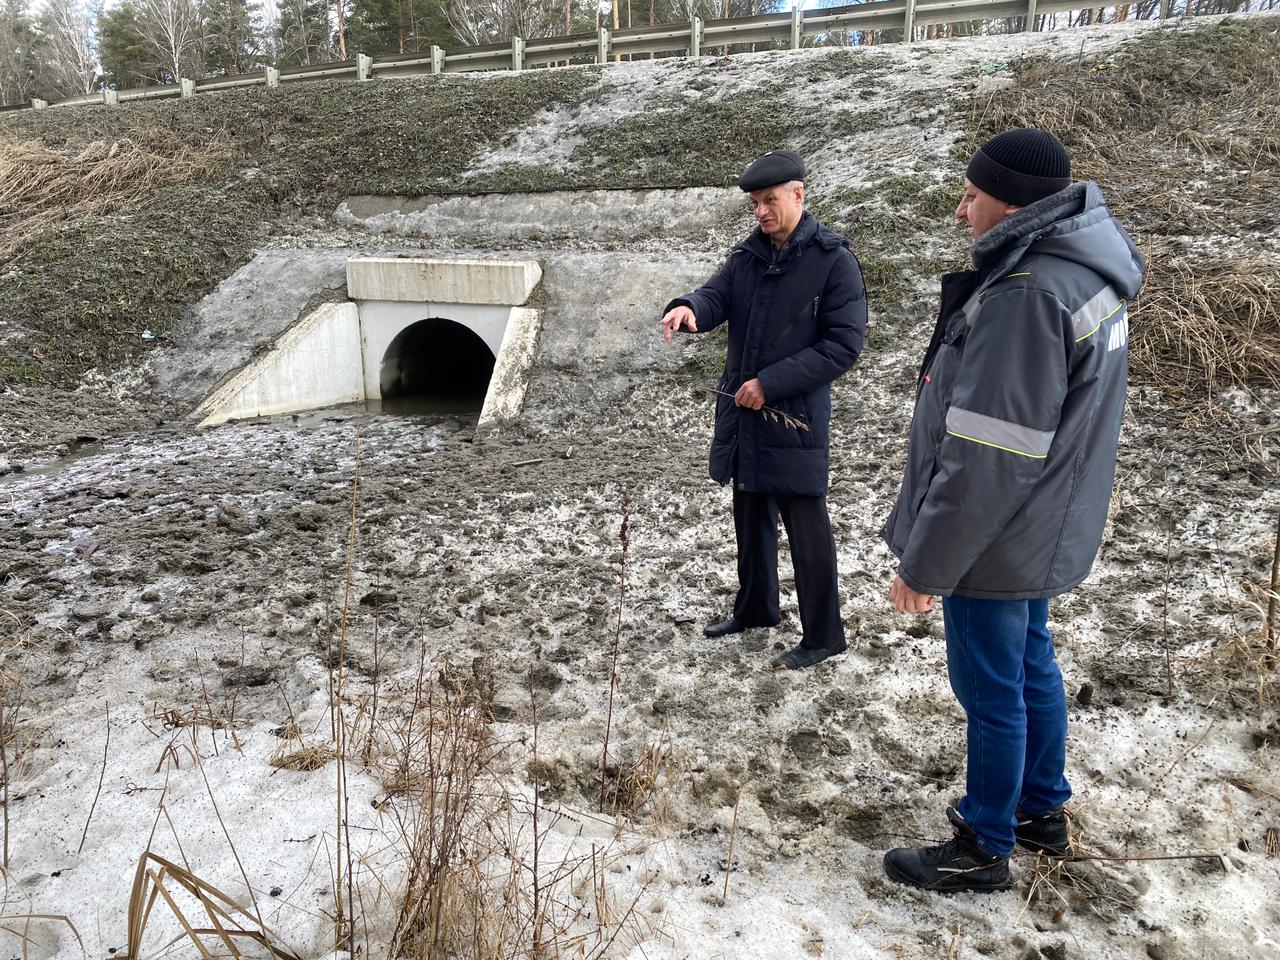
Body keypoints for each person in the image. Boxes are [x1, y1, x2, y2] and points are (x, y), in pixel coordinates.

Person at [880, 128, 1146, 892]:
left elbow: (988, 457)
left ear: (1010, 203)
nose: (960, 209)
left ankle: (983, 842)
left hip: (999, 535)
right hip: (1046, 521)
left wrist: (928, 561)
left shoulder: (1028, 293)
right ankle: (1040, 811)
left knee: (992, 685)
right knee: (1030, 667)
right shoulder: (1081, 271)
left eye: (971, 196)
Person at [660, 150, 866, 671]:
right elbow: (714, 297)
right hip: (743, 412)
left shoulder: (833, 260)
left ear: (798, 195)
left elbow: (843, 345)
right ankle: (755, 609)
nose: (761, 212)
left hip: (793, 418)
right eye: (755, 203)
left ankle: (824, 635)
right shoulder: (748, 256)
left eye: (770, 200)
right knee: (749, 517)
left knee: (806, 529)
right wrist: (688, 308)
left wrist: (770, 385)